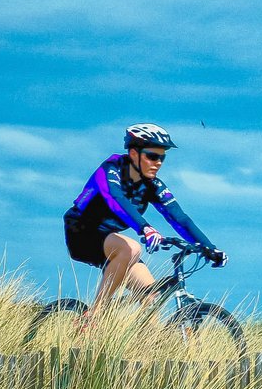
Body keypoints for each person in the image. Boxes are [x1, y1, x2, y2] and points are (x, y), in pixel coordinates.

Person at [63, 123, 226, 321]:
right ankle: (94, 315)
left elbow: (179, 217)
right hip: (81, 232)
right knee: (131, 248)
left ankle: (144, 346)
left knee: (152, 296)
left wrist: (210, 248)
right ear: (133, 153)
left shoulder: (153, 185)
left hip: (111, 242)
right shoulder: (110, 170)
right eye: (152, 156)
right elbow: (116, 200)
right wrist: (145, 228)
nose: (158, 162)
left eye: (162, 158)